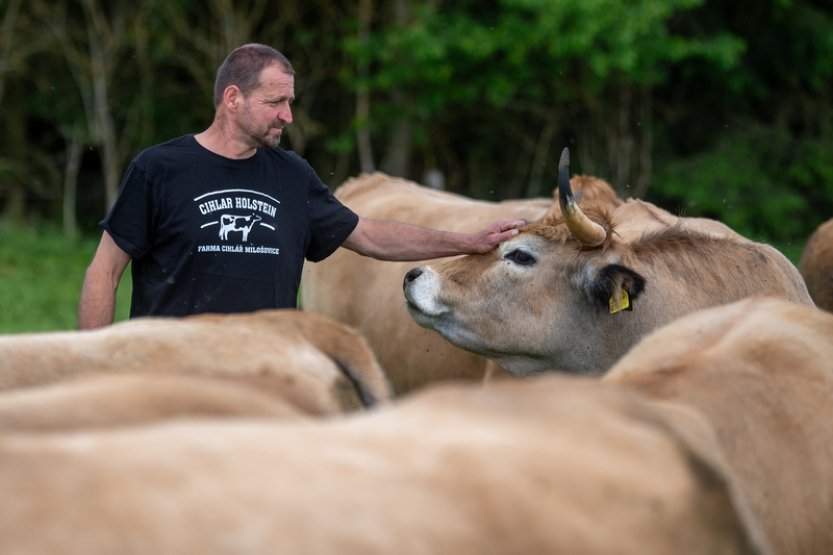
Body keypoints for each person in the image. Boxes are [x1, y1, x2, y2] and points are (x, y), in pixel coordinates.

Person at [78, 43, 523, 330]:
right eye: (275, 102)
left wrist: (466, 242)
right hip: (169, 376)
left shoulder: (292, 175)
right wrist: (91, 368)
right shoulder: (159, 169)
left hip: (267, 377)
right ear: (233, 99)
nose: (287, 116)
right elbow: (104, 272)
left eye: (290, 102)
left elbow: (369, 235)